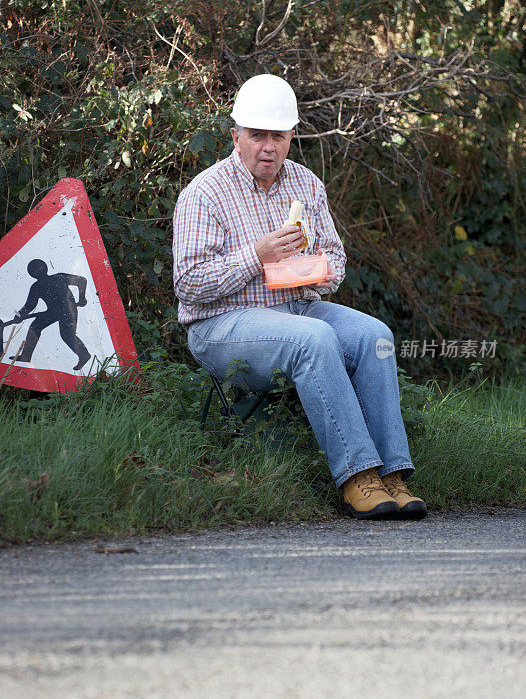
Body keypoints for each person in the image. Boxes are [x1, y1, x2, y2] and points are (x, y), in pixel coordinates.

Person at [173, 74, 427, 520]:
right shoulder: (204, 193)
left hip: (298, 306)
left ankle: (392, 475)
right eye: (257, 136)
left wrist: (311, 270)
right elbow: (190, 284)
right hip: (222, 325)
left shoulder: (306, 185)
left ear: (292, 136)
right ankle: (357, 477)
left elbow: (335, 259)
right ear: (236, 136)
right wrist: (258, 256)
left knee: (375, 335)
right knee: (313, 338)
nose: (267, 147)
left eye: (277, 135)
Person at [11, 259, 91, 371]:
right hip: (53, 311)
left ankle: (84, 355)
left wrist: (82, 298)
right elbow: (30, 305)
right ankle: (26, 356)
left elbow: (81, 280)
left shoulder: (58, 277)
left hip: (68, 309)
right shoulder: (38, 286)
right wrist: (20, 315)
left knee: (67, 335)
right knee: (35, 326)